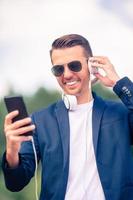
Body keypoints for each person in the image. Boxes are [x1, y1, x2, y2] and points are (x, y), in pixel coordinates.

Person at [2, 34, 133, 200]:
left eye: (74, 65)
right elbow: (15, 183)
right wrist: (12, 151)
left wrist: (119, 83)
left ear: (91, 66)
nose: (67, 74)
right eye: (58, 69)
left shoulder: (120, 114)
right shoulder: (39, 122)